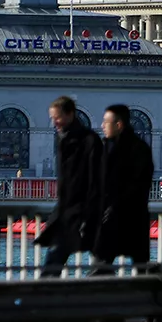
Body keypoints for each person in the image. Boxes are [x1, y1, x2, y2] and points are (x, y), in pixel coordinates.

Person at [36, 97, 99, 277]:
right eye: (52, 117)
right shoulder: (64, 137)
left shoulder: (87, 140)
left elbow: (95, 179)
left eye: (57, 117)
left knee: (55, 259)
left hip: (80, 210)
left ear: (70, 114)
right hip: (70, 210)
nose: (54, 121)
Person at [93, 105, 155, 272]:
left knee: (101, 268)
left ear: (119, 125)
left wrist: (111, 206)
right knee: (138, 267)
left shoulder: (133, 149)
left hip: (124, 217)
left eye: (106, 122)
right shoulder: (110, 148)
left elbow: (138, 184)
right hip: (127, 219)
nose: (102, 126)